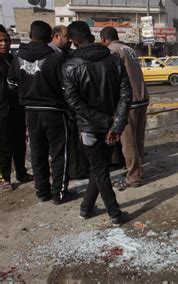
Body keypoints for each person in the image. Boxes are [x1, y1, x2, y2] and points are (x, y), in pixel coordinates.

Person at [62, 21, 132, 225]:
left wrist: (110, 123)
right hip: (109, 125)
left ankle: (114, 213)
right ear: (91, 37)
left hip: (89, 128)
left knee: (99, 168)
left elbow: (74, 102)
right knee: (99, 167)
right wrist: (114, 124)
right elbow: (126, 94)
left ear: (74, 41)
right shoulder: (113, 60)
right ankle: (87, 208)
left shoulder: (70, 67)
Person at [7, 21, 72, 204]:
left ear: (30, 34)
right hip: (54, 112)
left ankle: (42, 191)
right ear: (49, 37)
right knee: (59, 153)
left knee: (37, 152)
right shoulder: (55, 58)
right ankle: (58, 194)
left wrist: (26, 93)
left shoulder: (17, 58)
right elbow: (65, 87)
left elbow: (11, 84)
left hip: (30, 112)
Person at [100, 26, 149, 190]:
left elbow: (112, 78)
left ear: (104, 40)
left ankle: (133, 177)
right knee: (138, 139)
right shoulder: (129, 49)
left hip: (129, 101)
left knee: (128, 142)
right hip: (142, 97)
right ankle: (139, 170)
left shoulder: (112, 50)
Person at [0, 25, 33, 191]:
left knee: (19, 143)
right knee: (3, 145)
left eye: (6, 40)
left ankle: (21, 172)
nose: (4, 43)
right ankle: (4, 177)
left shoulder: (12, 60)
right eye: (0, 41)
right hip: (1, 111)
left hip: (16, 108)